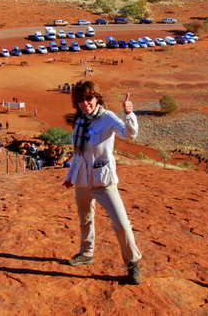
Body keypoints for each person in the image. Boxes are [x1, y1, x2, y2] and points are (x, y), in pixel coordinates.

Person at [62, 80, 143, 285]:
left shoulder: (107, 117)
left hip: (103, 180)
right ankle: (86, 253)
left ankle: (133, 263)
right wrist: (71, 176)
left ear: (97, 98)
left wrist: (128, 114)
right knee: (85, 219)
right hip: (82, 180)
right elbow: (78, 153)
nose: (85, 103)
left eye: (88, 98)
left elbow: (130, 134)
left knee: (122, 224)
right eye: (80, 100)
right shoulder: (79, 121)